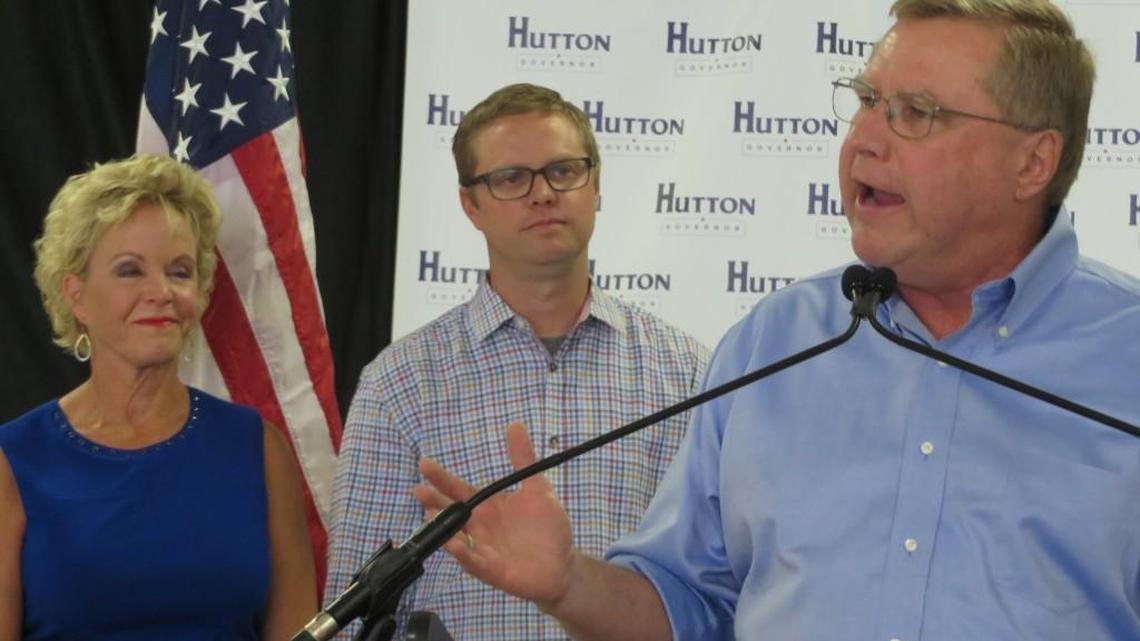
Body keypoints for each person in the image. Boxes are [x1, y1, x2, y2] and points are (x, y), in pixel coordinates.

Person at [414, 2, 1140, 640]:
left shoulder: (1125, 355)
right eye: (865, 100)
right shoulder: (775, 342)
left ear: (1033, 161)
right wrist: (570, 583)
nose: (864, 140)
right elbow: (684, 605)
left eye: (917, 113)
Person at [324, 83, 709, 639]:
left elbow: (709, 589)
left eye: (563, 171)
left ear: (596, 184)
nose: (543, 194)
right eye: (511, 179)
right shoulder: (400, 384)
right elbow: (352, 612)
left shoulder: (686, 373)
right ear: (470, 205)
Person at [0, 154, 317, 641]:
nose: (161, 291)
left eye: (179, 271)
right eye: (130, 271)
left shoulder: (257, 449)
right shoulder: (14, 460)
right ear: (76, 295)